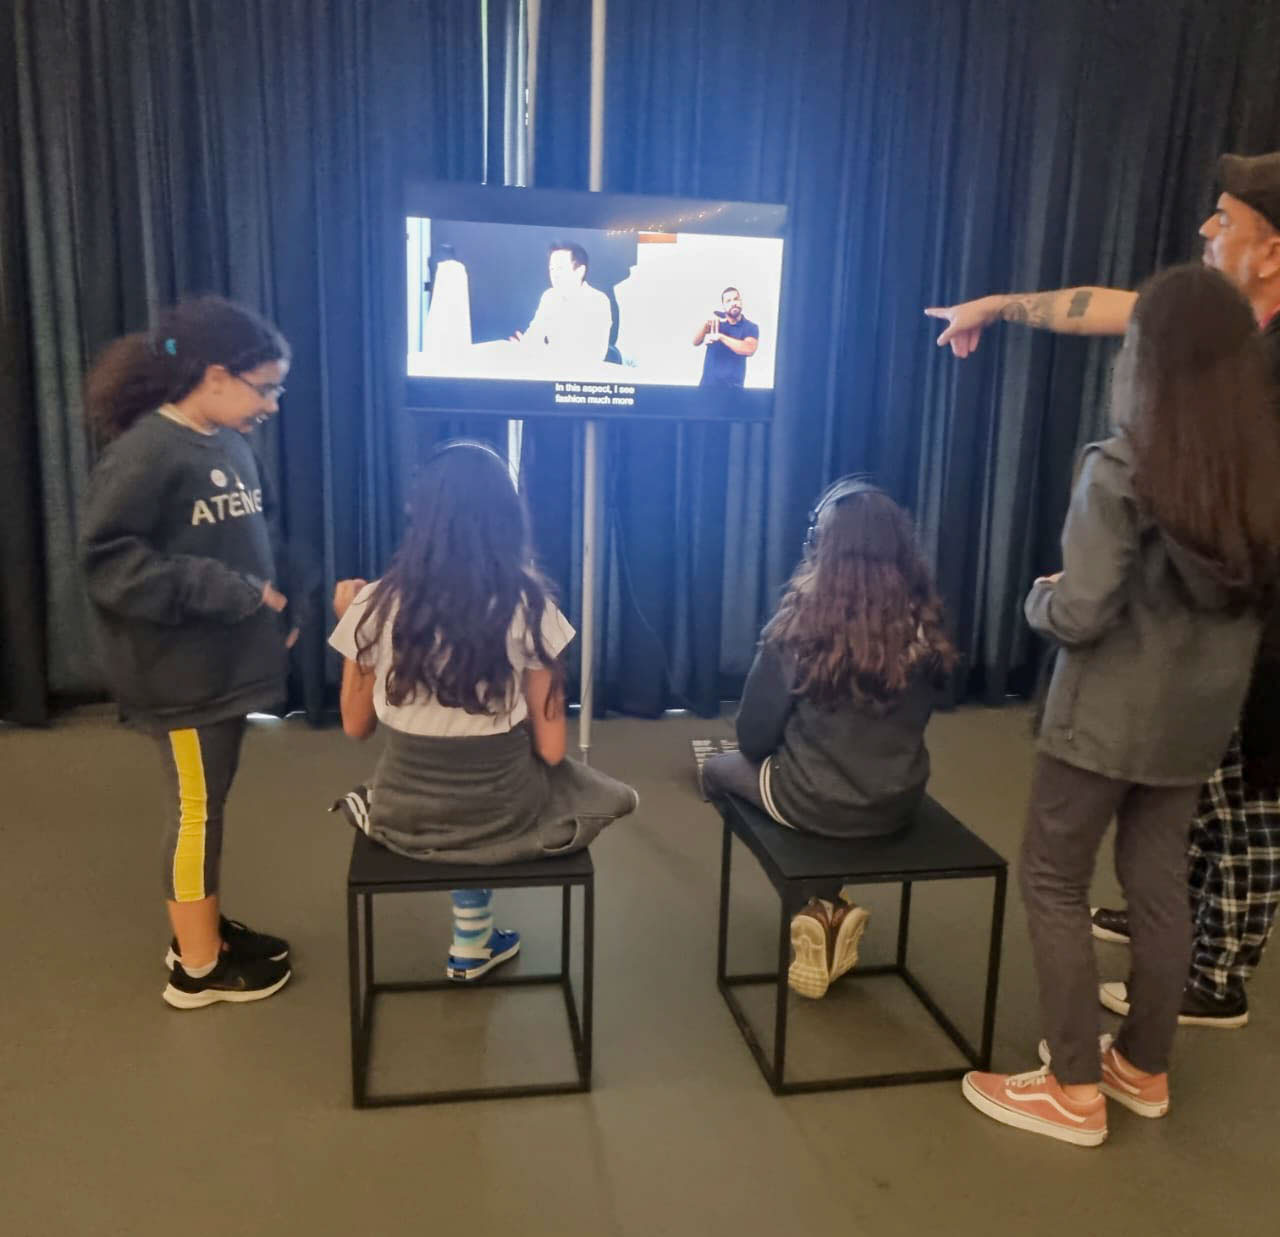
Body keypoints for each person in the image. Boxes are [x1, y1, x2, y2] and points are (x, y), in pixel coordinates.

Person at [927, 152, 1280, 1031]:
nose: (1206, 230)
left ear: (1271, 250)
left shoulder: (1141, 448)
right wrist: (997, 306)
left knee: (1228, 819)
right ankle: (1157, 1016)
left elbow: (1086, 605)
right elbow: (1108, 307)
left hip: (1213, 661)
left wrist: (1053, 598)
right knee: (1167, 852)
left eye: (1225, 220)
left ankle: (1197, 990)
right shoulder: (1220, 330)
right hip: (1206, 667)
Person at [328, 440, 637, 981]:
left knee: (449, 795)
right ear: (508, 520)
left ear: (419, 517)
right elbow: (552, 749)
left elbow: (355, 727)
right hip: (504, 813)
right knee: (592, 789)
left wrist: (352, 628)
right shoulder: (531, 604)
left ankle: (473, 937)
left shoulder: (374, 602)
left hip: (405, 817)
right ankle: (472, 938)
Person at [80, 295, 297, 1009]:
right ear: (215, 376)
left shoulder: (229, 442)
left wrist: (275, 607)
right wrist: (233, 592)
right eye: (263, 388)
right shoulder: (146, 453)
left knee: (210, 805)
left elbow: (250, 541)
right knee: (198, 813)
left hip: (224, 668)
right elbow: (111, 566)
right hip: (180, 678)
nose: (271, 404)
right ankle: (198, 969)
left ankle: (201, 924)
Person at [703, 477, 959, 998]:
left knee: (713, 772)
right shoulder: (928, 625)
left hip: (809, 799)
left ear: (821, 545)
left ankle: (815, 906)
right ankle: (826, 907)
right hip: (897, 802)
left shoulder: (798, 625)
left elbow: (753, 737)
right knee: (820, 790)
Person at [510, 241, 612, 365]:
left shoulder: (598, 301)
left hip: (580, 374)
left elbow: (594, 355)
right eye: (552, 269)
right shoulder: (549, 296)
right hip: (548, 367)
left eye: (560, 269)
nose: (555, 275)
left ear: (580, 271)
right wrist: (525, 345)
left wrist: (541, 352)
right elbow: (533, 336)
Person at [693, 287, 760, 388]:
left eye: (736, 299)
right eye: (728, 301)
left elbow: (749, 349)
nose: (733, 303)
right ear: (723, 306)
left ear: (741, 301)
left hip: (733, 389)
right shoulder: (716, 323)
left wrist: (720, 337)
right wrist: (705, 324)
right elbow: (695, 342)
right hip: (707, 387)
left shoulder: (750, 327)